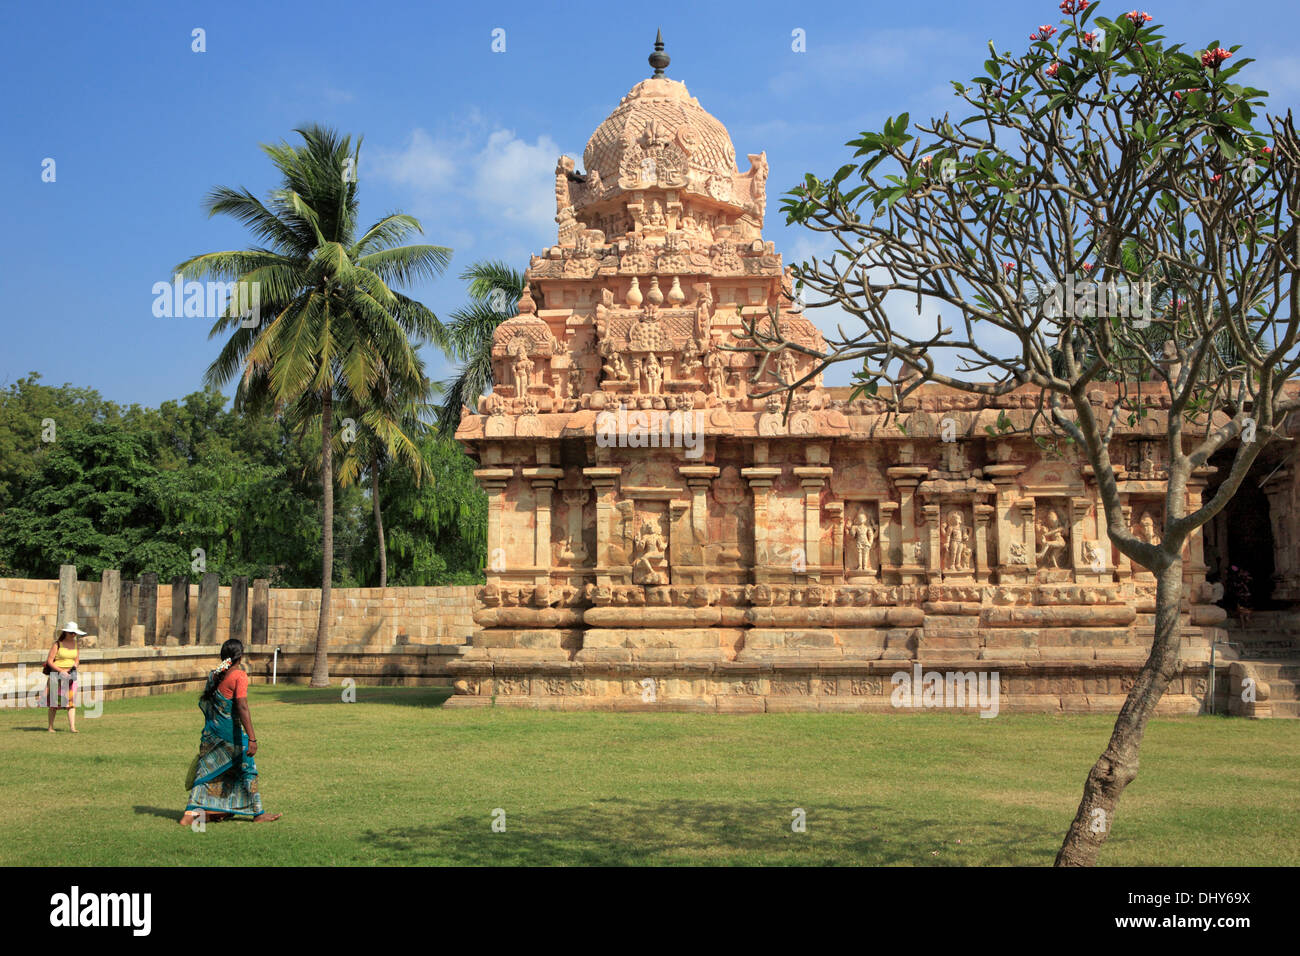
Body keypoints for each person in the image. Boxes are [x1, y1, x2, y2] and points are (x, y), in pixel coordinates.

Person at [179, 639, 280, 825]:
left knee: (206, 773)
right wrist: (252, 738)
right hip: (230, 735)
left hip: (211, 734)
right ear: (240, 656)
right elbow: (242, 706)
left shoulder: (214, 675)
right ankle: (257, 813)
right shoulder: (239, 675)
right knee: (248, 769)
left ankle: (193, 813)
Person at [43, 622, 83, 732]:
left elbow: (76, 659)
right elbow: (50, 661)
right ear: (65, 632)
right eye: (71, 633)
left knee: (71, 702)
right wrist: (61, 671)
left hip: (71, 675)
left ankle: (72, 727)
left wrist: (75, 666)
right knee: (54, 703)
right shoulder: (57, 644)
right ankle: (50, 727)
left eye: (75, 633)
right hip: (57, 675)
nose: (73, 635)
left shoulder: (76, 644)